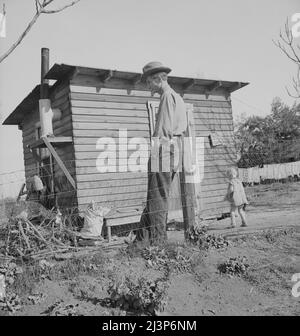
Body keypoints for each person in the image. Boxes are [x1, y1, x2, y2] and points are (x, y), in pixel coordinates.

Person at [137, 61, 188, 243]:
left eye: (148, 82)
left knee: (157, 199)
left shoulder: (166, 96)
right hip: (174, 151)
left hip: (164, 151)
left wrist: (155, 153)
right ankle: (140, 242)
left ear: (157, 79)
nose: (147, 86)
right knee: (155, 197)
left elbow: (164, 132)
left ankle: (158, 243)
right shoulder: (177, 97)